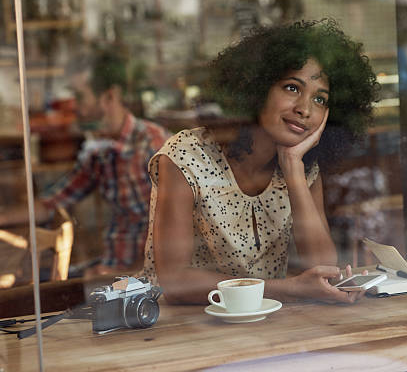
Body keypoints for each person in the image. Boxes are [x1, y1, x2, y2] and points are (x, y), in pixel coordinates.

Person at [138, 19, 379, 304]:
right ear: (256, 88)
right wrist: (288, 288)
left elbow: (322, 267)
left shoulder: (303, 166)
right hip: (180, 328)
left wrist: (291, 166)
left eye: (320, 99)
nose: (304, 109)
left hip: (264, 323)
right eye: (292, 88)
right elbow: (176, 283)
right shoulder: (184, 157)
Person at [0, 49, 170, 275]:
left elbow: (175, 231)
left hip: (144, 279)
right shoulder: (102, 150)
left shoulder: (154, 146)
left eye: (79, 96)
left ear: (110, 97)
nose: (74, 106)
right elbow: (53, 202)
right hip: (112, 269)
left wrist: (129, 275)